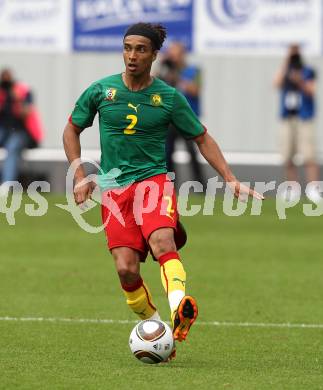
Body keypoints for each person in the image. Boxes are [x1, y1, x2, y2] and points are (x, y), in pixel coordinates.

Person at [63, 23, 263, 359]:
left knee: (162, 242)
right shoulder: (101, 91)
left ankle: (178, 307)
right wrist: (80, 175)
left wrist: (229, 178)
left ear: (154, 55)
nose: (132, 55)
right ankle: (159, 331)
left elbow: (202, 137)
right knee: (126, 268)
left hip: (153, 182)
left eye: (141, 49)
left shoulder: (169, 98)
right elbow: (71, 128)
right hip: (114, 190)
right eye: (128, 47)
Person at [274, 44, 321, 202]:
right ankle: (292, 188)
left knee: (309, 155)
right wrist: (286, 62)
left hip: (304, 117)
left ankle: (313, 188)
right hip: (288, 117)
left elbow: (311, 90)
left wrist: (299, 80)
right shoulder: (286, 70)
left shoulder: (308, 71)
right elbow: (276, 83)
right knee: (288, 154)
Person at [158, 41, 206, 188]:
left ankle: (200, 185)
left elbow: (195, 90)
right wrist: (162, 67)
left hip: (187, 118)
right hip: (169, 118)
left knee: (192, 152)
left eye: (176, 54)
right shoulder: (165, 72)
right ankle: (170, 185)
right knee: (168, 152)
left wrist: (177, 75)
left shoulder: (194, 71)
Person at [0, 68, 43, 190]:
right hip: (4, 130)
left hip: (23, 132)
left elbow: (27, 112)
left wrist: (17, 99)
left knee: (12, 146)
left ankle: (6, 184)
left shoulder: (23, 92)